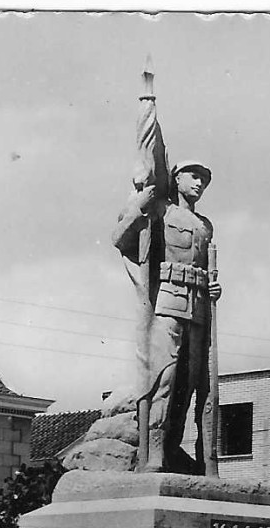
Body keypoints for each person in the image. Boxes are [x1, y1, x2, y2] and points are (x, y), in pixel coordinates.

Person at [112, 158, 222, 473]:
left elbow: (203, 267)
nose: (199, 183)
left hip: (199, 308)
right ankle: (155, 451)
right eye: (193, 176)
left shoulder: (205, 225)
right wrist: (140, 203)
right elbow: (120, 239)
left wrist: (214, 288)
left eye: (204, 178)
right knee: (165, 377)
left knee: (188, 384)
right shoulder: (161, 212)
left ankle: (172, 448)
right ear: (177, 179)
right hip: (167, 303)